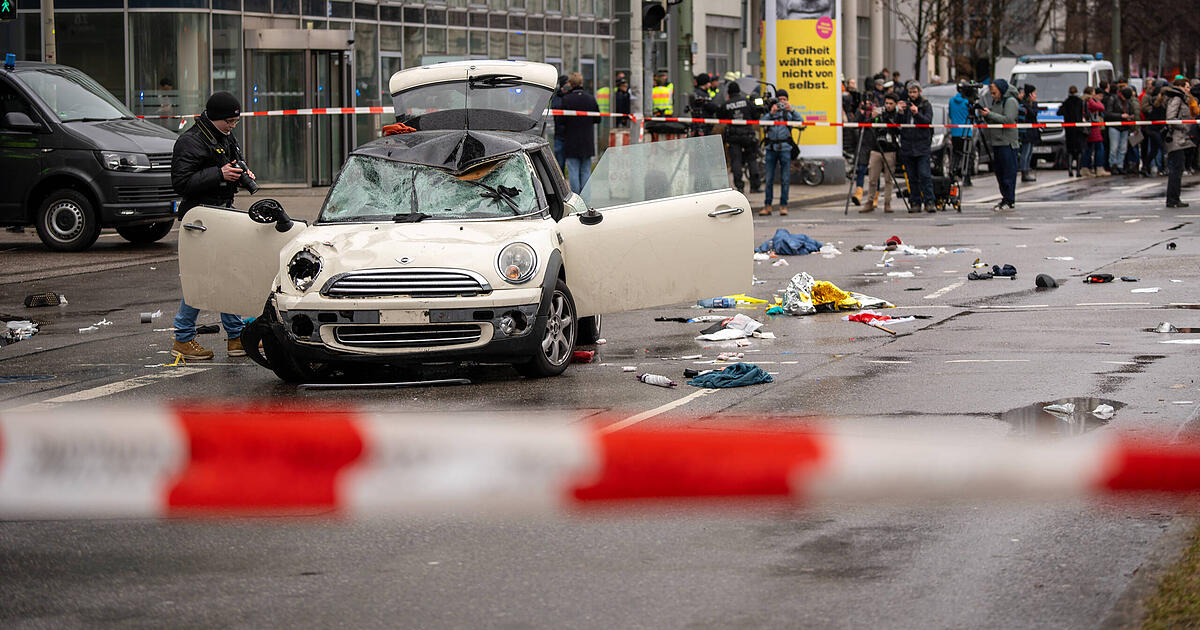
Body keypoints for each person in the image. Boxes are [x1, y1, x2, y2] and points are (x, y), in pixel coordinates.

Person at [169, 91, 255, 360]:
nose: (232, 126)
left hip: (221, 213)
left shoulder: (224, 136)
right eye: (229, 121)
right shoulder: (190, 141)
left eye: (235, 121)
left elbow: (230, 162)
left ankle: (235, 336)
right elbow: (181, 183)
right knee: (202, 277)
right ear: (215, 117)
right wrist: (220, 174)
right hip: (200, 219)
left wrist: (240, 173)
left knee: (224, 274)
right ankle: (184, 337)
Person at [760, 89, 803, 216]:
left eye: (785, 100)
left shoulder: (789, 113)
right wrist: (771, 113)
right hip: (771, 148)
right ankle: (767, 206)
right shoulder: (771, 112)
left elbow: (802, 123)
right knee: (769, 179)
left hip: (785, 149)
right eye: (780, 100)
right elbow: (761, 123)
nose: (782, 102)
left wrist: (792, 110)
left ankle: (783, 205)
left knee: (785, 179)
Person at [980, 78, 1019, 211]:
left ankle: (1009, 199)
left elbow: (1008, 120)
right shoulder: (996, 102)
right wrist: (986, 115)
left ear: (1001, 91)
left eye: (994, 93)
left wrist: (990, 114)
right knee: (1000, 174)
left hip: (1007, 142)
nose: (993, 96)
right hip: (996, 142)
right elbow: (995, 119)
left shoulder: (1010, 101)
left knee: (1008, 173)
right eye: (991, 93)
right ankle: (1005, 197)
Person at [559, 72, 600, 193]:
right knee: (586, 170)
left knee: (573, 171)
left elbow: (560, 120)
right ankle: (586, 197)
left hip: (571, 140)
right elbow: (597, 119)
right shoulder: (590, 98)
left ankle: (576, 197)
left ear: (570, 84)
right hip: (587, 141)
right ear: (582, 83)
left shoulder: (566, 99)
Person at [897, 81, 935, 213]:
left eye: (914, 92)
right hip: (908, 145)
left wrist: (917, 113)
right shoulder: (905, 105)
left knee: (924, 175)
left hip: (922, 145)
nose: (912, 95)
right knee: (912, 177)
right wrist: (900, 112)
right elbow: (898, 124)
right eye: (910, 92)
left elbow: (927, 121)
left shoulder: (925, 105)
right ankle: (915, 202)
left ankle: (929, 201)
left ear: (919, 92)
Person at [859, 94, 901, 213]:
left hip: (890, 149)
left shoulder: (897, 115)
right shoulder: (879, 113)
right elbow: (866, 125)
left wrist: (889, 118)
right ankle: (869, 202)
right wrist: (872, 117)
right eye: (886, 103)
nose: (888, 106)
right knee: (872, 178)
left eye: (891, 104)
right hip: (876, 148)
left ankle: (887, 203)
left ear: (895, 104)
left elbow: (898, 130)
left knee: (888, 179)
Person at [720, 81, 762, 193]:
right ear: (739, 91)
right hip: (748, 135)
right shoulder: (747, 102)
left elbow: (720, 117)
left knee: (736, 161)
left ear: (729, 93)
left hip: (733, 136)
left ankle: (739, 186)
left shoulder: (726, 105)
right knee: (752, 160)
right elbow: (756, 116)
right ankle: (755, 186)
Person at [1160, 76, 1194, 208]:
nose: (1189, 89)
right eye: (1187, 87)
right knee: (1176, 169)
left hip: (1180, 139)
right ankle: (1173, 199)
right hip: (1176, 139)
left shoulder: (1180, 98)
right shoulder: (1177, 99)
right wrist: (1185, 127)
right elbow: (1171, 118)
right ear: (1180, 87)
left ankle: (1174, 198)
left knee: (1178, 169)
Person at [1104, 84, 1135, 174]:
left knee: (1123, 148)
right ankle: (1113, 165)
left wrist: (1130, 116)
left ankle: (1120, 165)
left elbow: (1131, 111)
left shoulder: (1128, 101)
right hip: (1115, 126)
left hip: (1125, 126)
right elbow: (1108, 113)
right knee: (1114, 147)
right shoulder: (1113, 99)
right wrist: (1121, 116)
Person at [948, 82, 975, 185]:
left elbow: (950, 115)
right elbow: (973, 115)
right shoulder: (968, 101)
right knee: (968, 155)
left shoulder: (951, 101)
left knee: (956, 154)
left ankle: (952, 173)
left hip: (955, 132)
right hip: (966, 132)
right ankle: (966, 177)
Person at [1082, 87, 1108, 176]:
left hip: (1088, 126)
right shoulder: (1090, 101)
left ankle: (1086, 167)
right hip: (1093, 127)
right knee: (1099, 147)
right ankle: (1099, 167)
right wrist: (1096, 100)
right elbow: (1101, 107)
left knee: (1088, 148)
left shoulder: (1083, 100)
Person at [1061, 85, 1085, 177]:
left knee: (1070, 150)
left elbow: (1059, 112)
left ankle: (1070, 169)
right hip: (1078, 128)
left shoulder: (1066, 102)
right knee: (1079, 150)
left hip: (1069, 129)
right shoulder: (1080, 101)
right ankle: (1078, 171)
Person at [1018, 84, 1040, 182]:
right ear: (1030, 94)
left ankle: (1027, 169)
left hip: (1033, 131)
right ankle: (1024, 172)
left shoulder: (1033, 104)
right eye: (1034, 93)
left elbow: (1034, 113)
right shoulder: (1023, 104)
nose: (1035, 95)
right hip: (1026, 131)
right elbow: (1031, 114)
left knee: (1030, 152)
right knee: (1025, 152)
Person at [549, 75, 570, 171]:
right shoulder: (557, 97)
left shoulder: (571, 96)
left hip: (571, 135)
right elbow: (555, 110)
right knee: (559, 164)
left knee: (572, 164)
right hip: (560, 135)